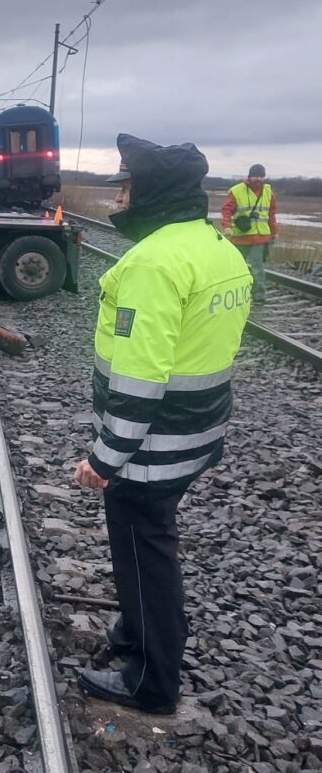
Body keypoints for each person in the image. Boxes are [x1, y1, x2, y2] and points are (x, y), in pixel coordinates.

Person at [72, 134, 251, 715]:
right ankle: (132, 635)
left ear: (150, 193)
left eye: (124, 187)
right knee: (148, 545)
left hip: (152, 448)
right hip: (198, 434)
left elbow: (138, 378)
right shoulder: (215, 245)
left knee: (145, 556)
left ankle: (152, 681)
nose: (117, 198)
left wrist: (105, 458)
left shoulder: (152, 264)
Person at [221, 163, 278, 305]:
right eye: (255, 175)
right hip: (241, 236)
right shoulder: (236, 190)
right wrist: (227, 226)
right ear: (249, 176)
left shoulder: (268, 192)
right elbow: (226, 210)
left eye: (261, 176)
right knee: (237, 267)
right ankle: (235, 294)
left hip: (260, 237)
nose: (258, 178)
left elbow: (271, 214)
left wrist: (274, 232)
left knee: (258, 268)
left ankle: (259, 297)